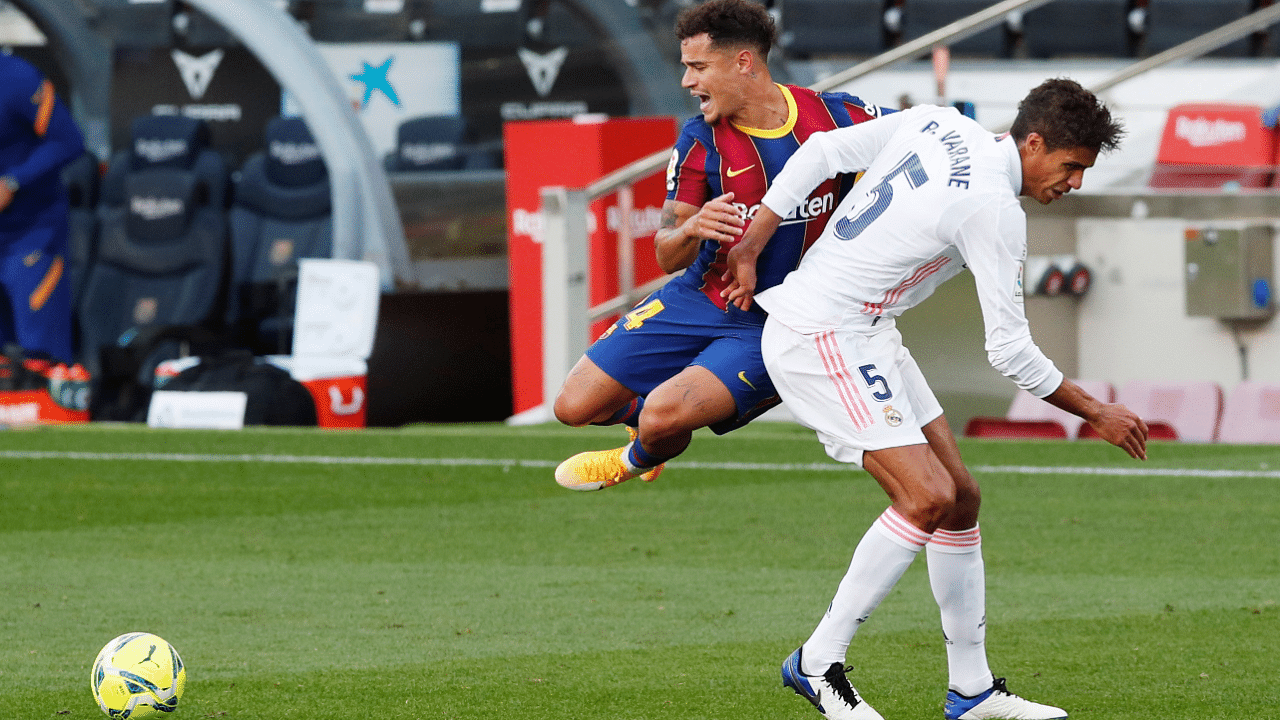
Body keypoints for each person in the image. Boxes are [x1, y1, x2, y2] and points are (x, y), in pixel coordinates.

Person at [722, 79, 1147, 720]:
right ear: (1033, 143)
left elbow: (816, 155)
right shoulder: (994, 209)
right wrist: (1097, 411)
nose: (1076, 183)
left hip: (864, 332)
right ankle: (817, 662)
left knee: (959, 499)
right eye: (1071, 166)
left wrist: (756, 239)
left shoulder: (938, 122)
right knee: (926, 497)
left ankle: (971, 691)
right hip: (823, 334)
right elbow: (1008, 351)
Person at [552, 0, 888, 490]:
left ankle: (636, 457)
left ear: (744, 63)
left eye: (698, 67)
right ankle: (648, 421)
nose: (687, 82)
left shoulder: (838, 117)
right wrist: (689, 230)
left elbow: (927, 135)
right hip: (698, 297)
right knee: (573, 406)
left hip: (779, 321)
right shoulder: (699, 139)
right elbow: (667, 254)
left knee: (666, 416)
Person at [0, 53, 84, 364]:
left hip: (31, 234)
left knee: (40, 357)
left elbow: (69, 140)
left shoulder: (16, 77)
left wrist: (13, 182)